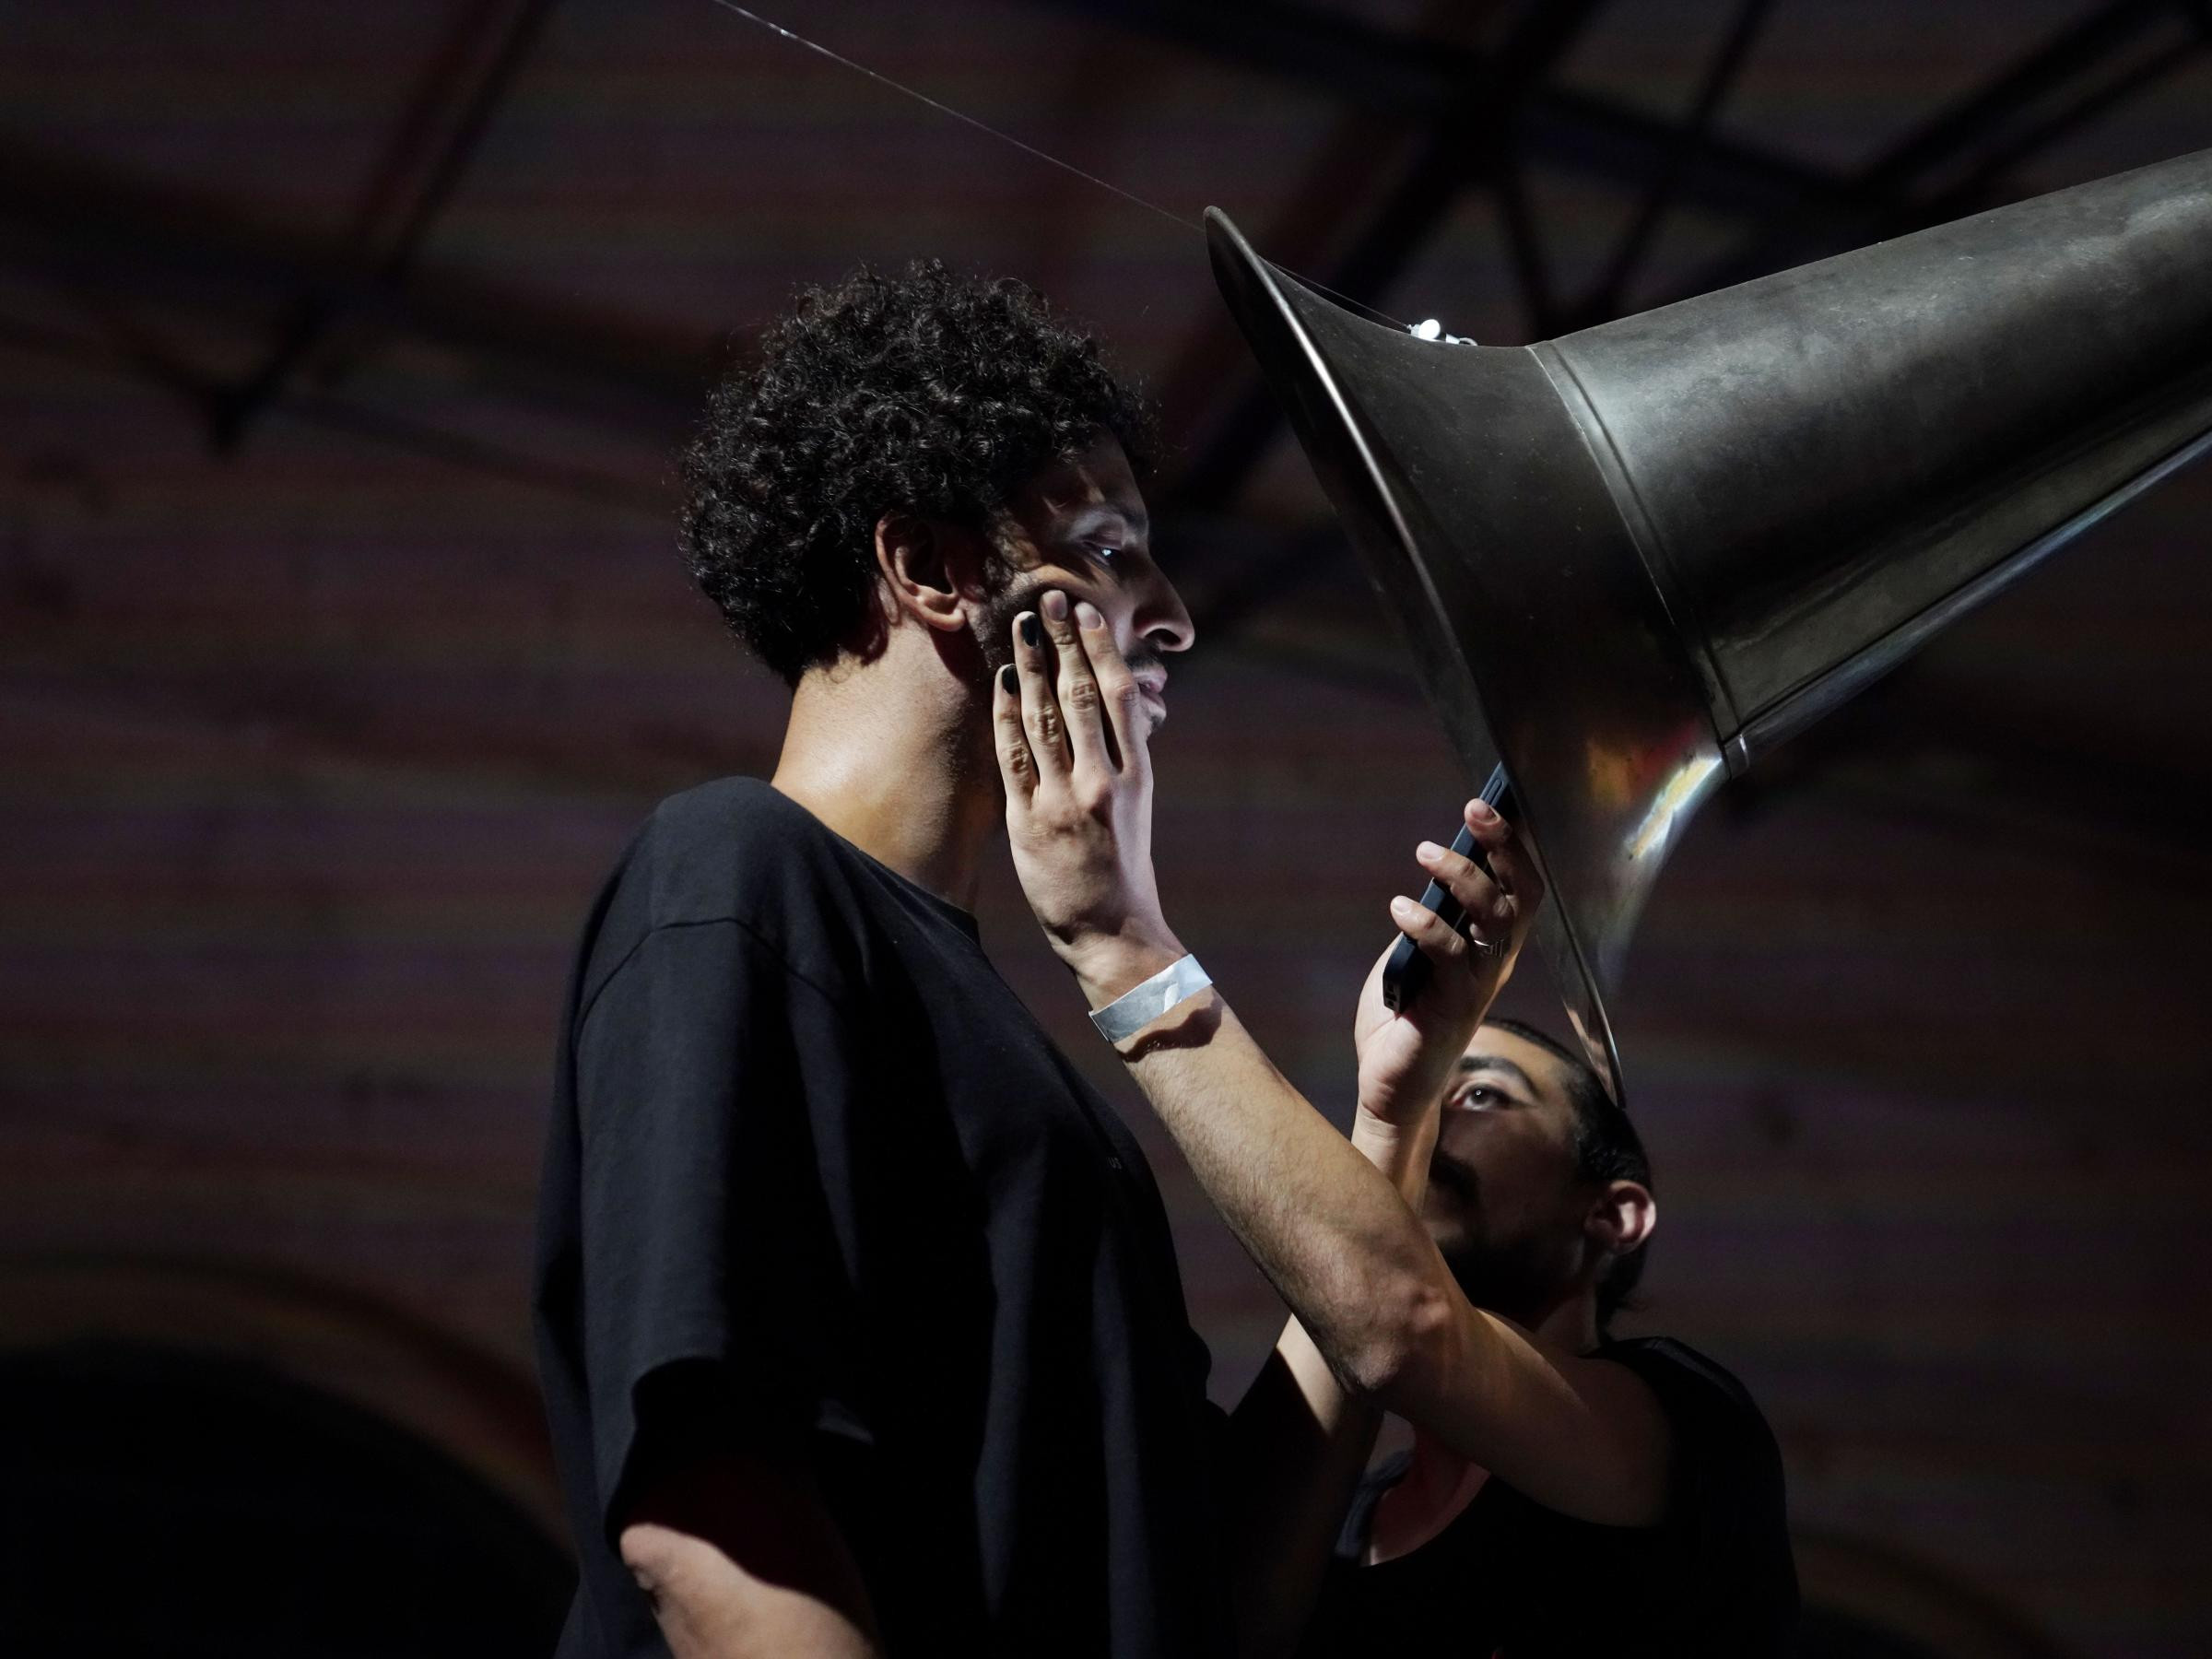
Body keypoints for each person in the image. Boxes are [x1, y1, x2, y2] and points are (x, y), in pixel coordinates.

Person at [530, 262, 1514, 1659]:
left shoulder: (1020, 1068)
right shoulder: (737, 873)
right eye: (1110, 549)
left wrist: (1389, 1121)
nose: (1172, 616)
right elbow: (710, 1523)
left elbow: (1214, 1579)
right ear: (931, 571)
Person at [993, 614, 1799, 1655]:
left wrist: (1123, 944)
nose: (1439, 1107)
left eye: (1485, 1094)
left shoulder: (1683, 1427)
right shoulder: (1346, 1513)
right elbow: (1220, 1626)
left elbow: (1397, 1331)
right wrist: (1388, 1110)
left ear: (1614, 1213)